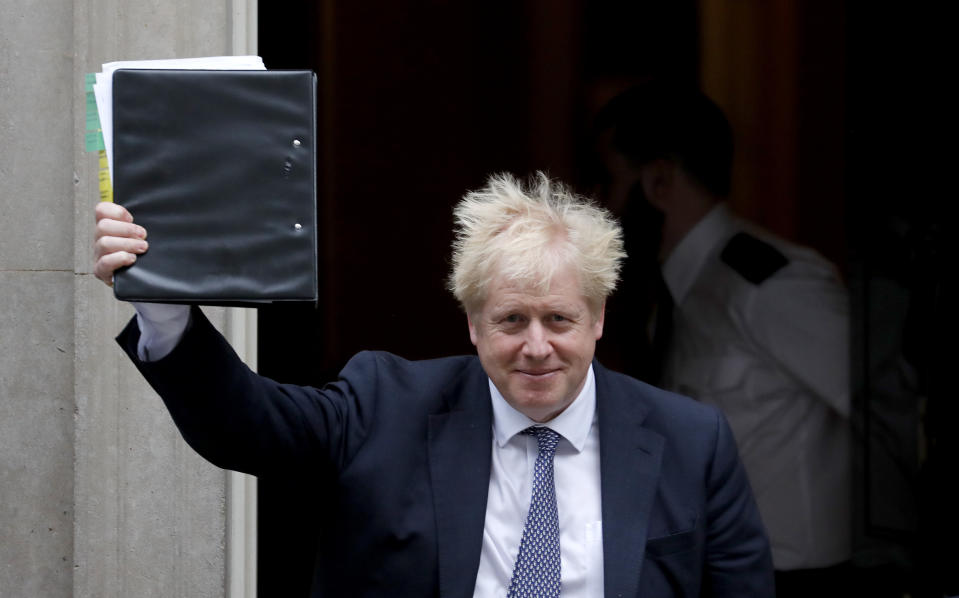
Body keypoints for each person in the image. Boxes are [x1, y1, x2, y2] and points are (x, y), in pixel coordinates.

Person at [93, 171, 774, 597]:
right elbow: (248, 424)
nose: (536, 347)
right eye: (511, 320)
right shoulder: (386, 406)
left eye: (558, 319)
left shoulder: (691, 441)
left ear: (597, 319)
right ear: (473, 324)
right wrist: (166, 306)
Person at [593, 82, 853, 596]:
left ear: (659, 183)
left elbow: (890, 418)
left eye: (609, 182)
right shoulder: (671, 297)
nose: (599, 204)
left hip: (797, 582)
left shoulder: (768, 285)